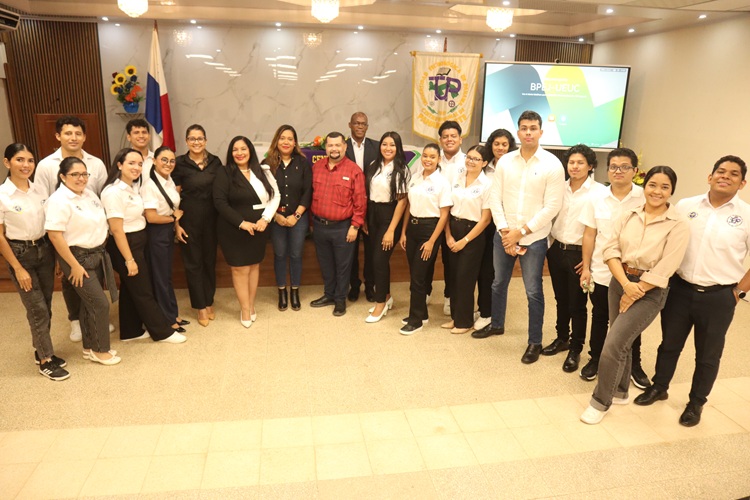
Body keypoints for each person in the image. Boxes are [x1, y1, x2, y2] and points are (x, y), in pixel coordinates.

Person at [634, 155, 750, 427]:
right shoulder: (686, 206)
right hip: (679, 289)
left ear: (742, 183)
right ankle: (659, 387)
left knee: (708, 356)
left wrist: (738, 292)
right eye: (720, 171)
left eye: (734, 174)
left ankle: (696, 403)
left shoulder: (746, 215)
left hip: (720, 296)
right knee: (669, 345)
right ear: (710, 177)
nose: (725, 176)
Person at [580, 166, 690, 425]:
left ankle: (600, 401)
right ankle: (620, 391)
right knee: (622, 340)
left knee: (613, 343)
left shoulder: (678, 224)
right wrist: (625, 285)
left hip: (651, 290)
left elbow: (667, 265)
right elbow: (610, 249)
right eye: (653, 185)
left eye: (664, 187)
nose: (657, 191)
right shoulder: (628, 215)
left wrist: (636, 290)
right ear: (645, 186)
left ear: (672, 191)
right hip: (620, 281)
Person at [479, 110, 566, 365]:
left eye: (533, 128)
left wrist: (521, 232)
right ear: (518, 132)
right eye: (524, 128)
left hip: (534, 239)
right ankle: (497, 324)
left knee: (533, 291)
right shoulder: (505, 161)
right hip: (504, 234)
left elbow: (552, 207)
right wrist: (505, 231)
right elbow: (495, 198)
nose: (528, 132)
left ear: (541, 132)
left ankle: (534, 341)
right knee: (498, 283)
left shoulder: (552, 164)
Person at [34, 115, 108, 343]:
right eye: (68, 133)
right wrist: (56, 245)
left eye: (78, 133)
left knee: (92, 277)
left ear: (84, 137)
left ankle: (92, 318)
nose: (73, 137)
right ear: (58, 136)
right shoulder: (46, 165)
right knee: (70, 279)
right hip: (61, 233)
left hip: (89, 230)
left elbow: (101, 196)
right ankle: (75, 320)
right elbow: (41, 201)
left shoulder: (96, 164)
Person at [578, 148, 649, 387]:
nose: (618, 171)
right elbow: (589, 234)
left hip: (633, 274)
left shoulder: (644, 197)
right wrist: (586, 267)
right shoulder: (596, 198)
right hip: (601, 270)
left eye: (625, 167)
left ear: (635, 170)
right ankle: (595, 359)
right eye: (614, 167)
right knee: (599, 317)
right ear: (608, 170)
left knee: (631, 322)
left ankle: (634, 365)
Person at [101, 149, 186, 344]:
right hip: (126, 244)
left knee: (130, 288)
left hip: (138, 240)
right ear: (119, 165)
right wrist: (129, 260)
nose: (137, 167)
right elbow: (116, 229)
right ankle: (163, 332)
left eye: (140, 164)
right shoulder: (113, 192)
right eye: (131, 163)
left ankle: (130, 331)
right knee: (143, 290)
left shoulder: (132, 187)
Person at [0, 144, 68, 380]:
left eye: (30, 160)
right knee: (36, 307)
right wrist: (17, 268)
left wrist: (57, 258)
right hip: (20, 254)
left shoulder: (40, 190)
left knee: (45, 304)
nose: (26, 165)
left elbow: (50, 225)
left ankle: (42, 350)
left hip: (45, 249)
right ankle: (46, 360)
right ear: (7, 163)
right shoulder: (2, 195)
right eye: (19, 160)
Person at [45, 157, 120, 365]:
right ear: (63, 176)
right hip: (76, 257)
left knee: (88, 304)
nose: (81, 178)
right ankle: (100, 350)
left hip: (96, 253)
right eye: (75, 174)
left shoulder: (89, 194)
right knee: (99, 303)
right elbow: (55, 236)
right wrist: (74, 266)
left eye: (84, 174)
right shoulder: (58, 200)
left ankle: (89, 347)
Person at [542, 144, 607, 372]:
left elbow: (600, 229)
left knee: (577, 304)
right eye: (571, 162)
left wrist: (589, 260)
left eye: (580, 163)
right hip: (557, 249)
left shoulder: (599, 192)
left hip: (581, 254)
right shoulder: (559, 188)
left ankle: (575, 348)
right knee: (561, 299)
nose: (575, 166)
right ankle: (562, 338)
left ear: (590, 166)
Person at [214, 136, 280, 327]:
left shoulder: (263, 170)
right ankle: (244, 309)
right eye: (235, 149)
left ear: (250, 150)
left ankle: (251, 305)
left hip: (259, 227)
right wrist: (241, 223)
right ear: (230, 152)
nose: (239, 153)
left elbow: (275, 196)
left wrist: (265, 219)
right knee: (240, 268)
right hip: (233, 229)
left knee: (253, 266)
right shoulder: (224, 172)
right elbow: (220, 202)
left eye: (243, 149)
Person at [309, 132, 366, 317]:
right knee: (326, 264)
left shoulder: (354, 170)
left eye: (338, 145)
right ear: (325, 148)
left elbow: (360, 202)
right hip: (319, 226)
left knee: (343, 266)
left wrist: (355, 226)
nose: (334, 149)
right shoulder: (317, 167)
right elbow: (311, 195)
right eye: (330, 145)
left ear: (345, 147)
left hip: (343, 227)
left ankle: (340, 299)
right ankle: (329, 294)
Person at [399, 143, 452, 335]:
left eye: (432, 157)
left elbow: (444, 215)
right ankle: (421, 314)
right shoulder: (415, 177)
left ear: (439, 159)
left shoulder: (442, 183)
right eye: (425, 156)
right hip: (412, 228)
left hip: (430, 230)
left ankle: (415, 321)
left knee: (418, 277)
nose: (428, 160)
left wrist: (431, 241)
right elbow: (408, 206)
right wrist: (403, 232)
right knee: (415, 274)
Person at [173, 124, 222, 326]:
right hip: (189, 219)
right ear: (186, 141)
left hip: (212, 219)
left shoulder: (215, 162)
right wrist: (176, 225)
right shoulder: (179, 163)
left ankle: (209, 301)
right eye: (192, 138)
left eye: (200, 138)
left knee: (209, 262)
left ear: (206, 140)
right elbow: (174, 196)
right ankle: (200, 306)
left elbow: (221, 191)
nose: (196, 142)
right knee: (193, 264)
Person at [442, 145, 492, 334]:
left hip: (473, 234)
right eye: (469, 157)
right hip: (453, 228)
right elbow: (447, 208)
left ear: (484, 163)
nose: (471, 161)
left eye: (476, 159)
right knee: (454, 276)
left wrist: (465, 240)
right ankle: (456, 317)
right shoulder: (457, 178)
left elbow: (485, 219)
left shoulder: (487, 185)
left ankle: (464, 322)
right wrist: (448, 235)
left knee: (465, 278)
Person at [263, 125, 312, 312]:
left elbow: (308, 191)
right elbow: (263, 193)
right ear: (277, 140)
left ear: (295, 143)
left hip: (298, 218)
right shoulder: (267, 163)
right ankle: (282, 291)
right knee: (280, 254)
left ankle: (295, 291)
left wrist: (296, 215)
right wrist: (275, 215)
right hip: (275, 218)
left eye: (290, 139)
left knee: (296, 254)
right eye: (282, 138)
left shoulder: (302, 163)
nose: (286, 142)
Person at [141, 146, 189, 331]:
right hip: (156, 233)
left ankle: (173, 313)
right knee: (160, 278)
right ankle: (167, 320)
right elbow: (151, 217)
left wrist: (175, 225)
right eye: (164, 160)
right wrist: (173, 219)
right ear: (154, 161)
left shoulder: (169, 180)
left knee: (167, 276)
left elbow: (172, 209)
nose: (168, 164)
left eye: (172, 161)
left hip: (167, 230)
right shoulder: (150, 185)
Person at [363, 132, 409, 323]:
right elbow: (367, 194)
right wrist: (365, 219)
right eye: (384, 144)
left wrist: (391, 230)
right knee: (375, 260)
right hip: (372, 213)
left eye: (392, 145)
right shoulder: (373, 165)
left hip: (390, 216)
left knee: (379, 260)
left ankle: (380, 303)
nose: (388, 148)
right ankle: (387, 296)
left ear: (398, 148)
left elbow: (402, 201)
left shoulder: (401, 169)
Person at [474, 128, 516, 331]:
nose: (500, 148)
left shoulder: (514, 167)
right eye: (496, 144)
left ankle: (488, 313)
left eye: (504, 144)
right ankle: (482, 307)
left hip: (502, 225)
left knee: (492, 271)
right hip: (482, 221)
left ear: (510, 146)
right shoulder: (484, 167)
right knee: (481, 267)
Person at [345, 111, 378, 302]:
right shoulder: (342, 146)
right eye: (356, 123)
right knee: (351, 251)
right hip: (349, 207)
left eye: (363, 123)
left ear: (367, 126)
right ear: (350, 125)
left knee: (371, 251)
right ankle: (354, 285)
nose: (359, 126)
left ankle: (370, 285)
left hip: (372, 208)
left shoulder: (376, 147)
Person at [436, 120, 467, 316]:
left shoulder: (468, 161)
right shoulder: (433, 158)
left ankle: (450, 296)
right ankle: (425, 292)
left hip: (456, 218)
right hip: (433, 216)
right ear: (440, 140)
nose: (449, 140)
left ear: (460, 139)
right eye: (445, 136)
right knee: (427, 257)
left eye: (453, 136)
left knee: (452, 261)